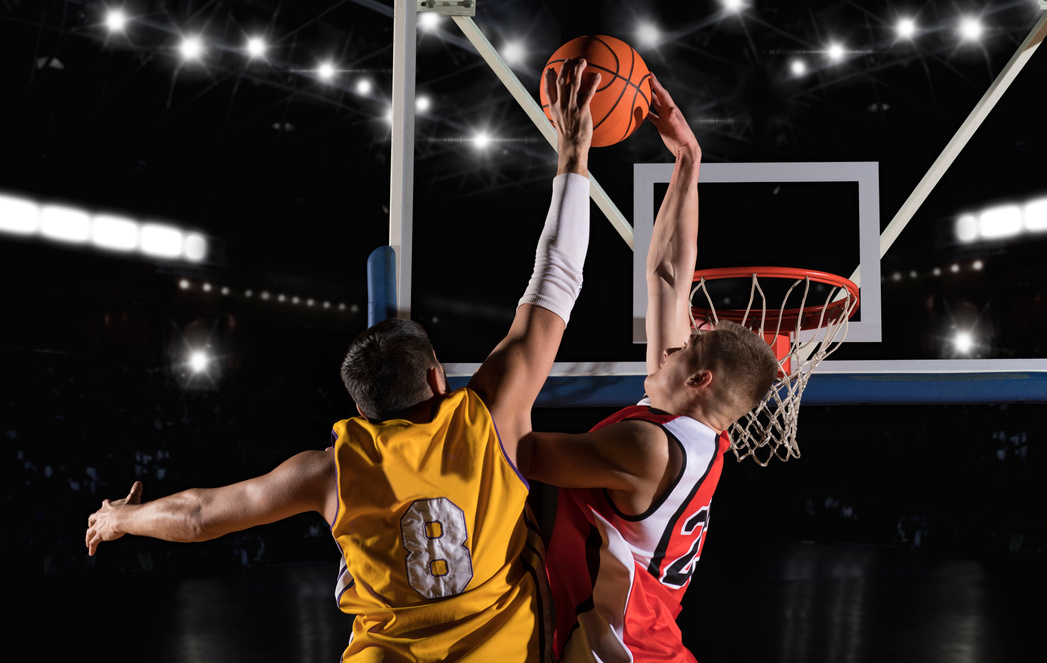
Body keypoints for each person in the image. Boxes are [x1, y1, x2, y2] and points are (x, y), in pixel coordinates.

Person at [85, 59, 602, 662]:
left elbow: (199, 515)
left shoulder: (333, 469)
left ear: (358, 408)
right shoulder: (490, 418)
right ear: (438, 377)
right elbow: (556, 281)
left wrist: (124, 519)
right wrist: (573, 157)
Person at [518, 75, 781, 662]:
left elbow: (520, 451)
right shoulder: (699, 433)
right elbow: (667, 276)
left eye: (682, 351)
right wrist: (689, 158)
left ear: (698, 380)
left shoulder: (646, 448)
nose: (666, 348)